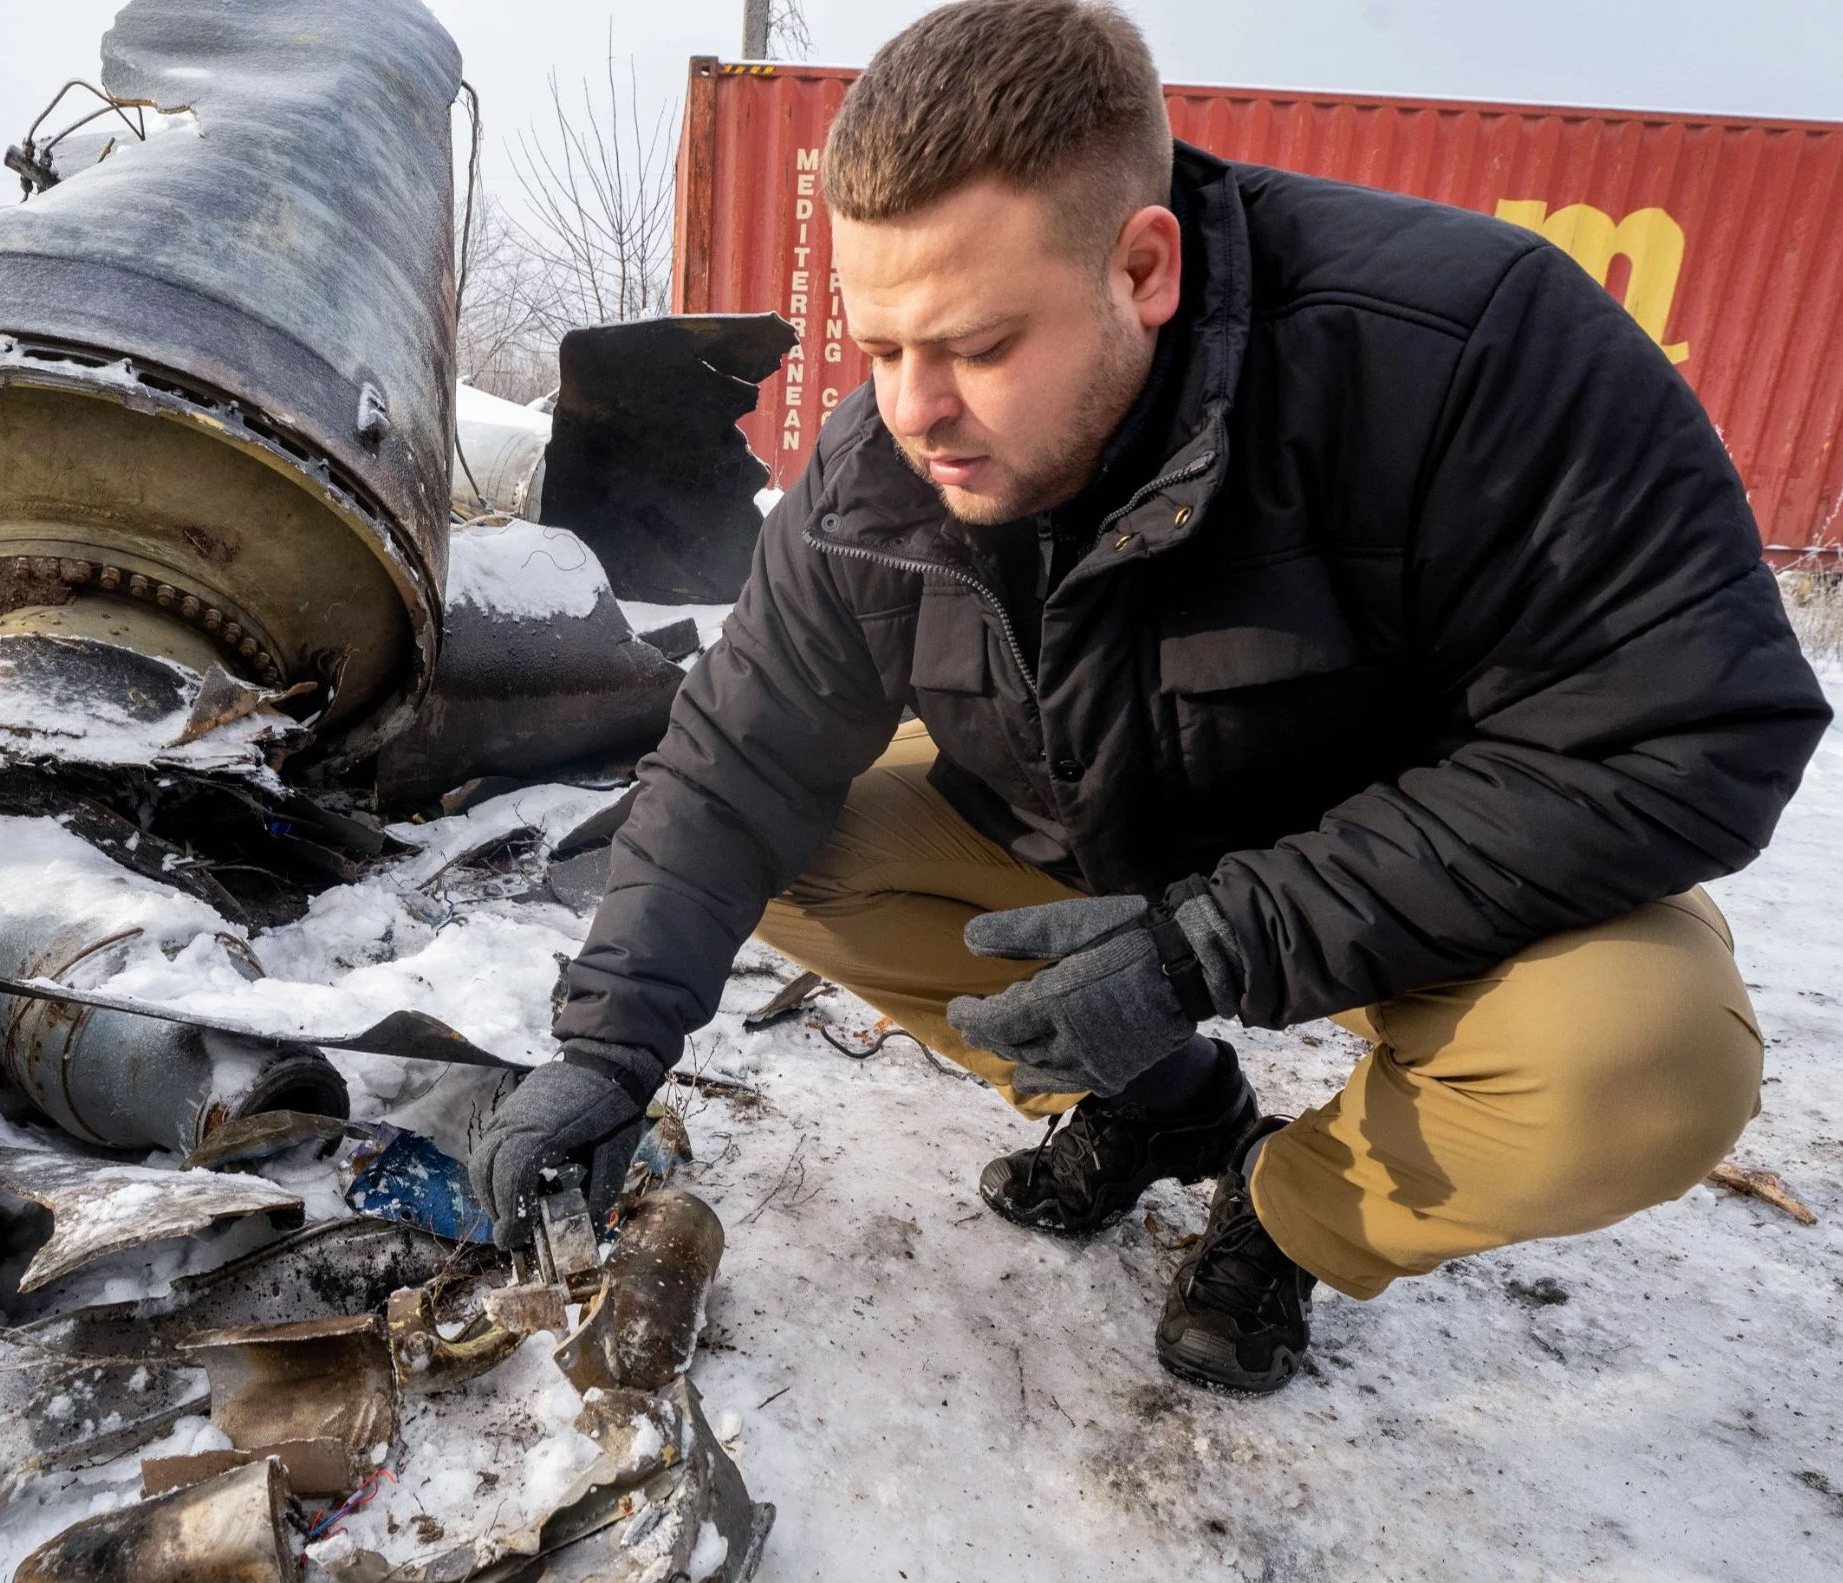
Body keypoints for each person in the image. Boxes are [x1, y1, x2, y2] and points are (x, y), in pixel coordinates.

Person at [470, 0, 1830, 1394]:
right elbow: (729, 766)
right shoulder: (888, 460)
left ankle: (1287, 1211)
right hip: (1097, 836)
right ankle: (1155, 1105)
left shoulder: (1469, 353)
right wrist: (606, 1053)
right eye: (879, 347)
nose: (910, 409)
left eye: (978, 345)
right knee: (784, 851)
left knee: (1641, 1065)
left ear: (1143, 266)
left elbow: (1685, 734)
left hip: (1419, 884)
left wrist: (1209, 946)